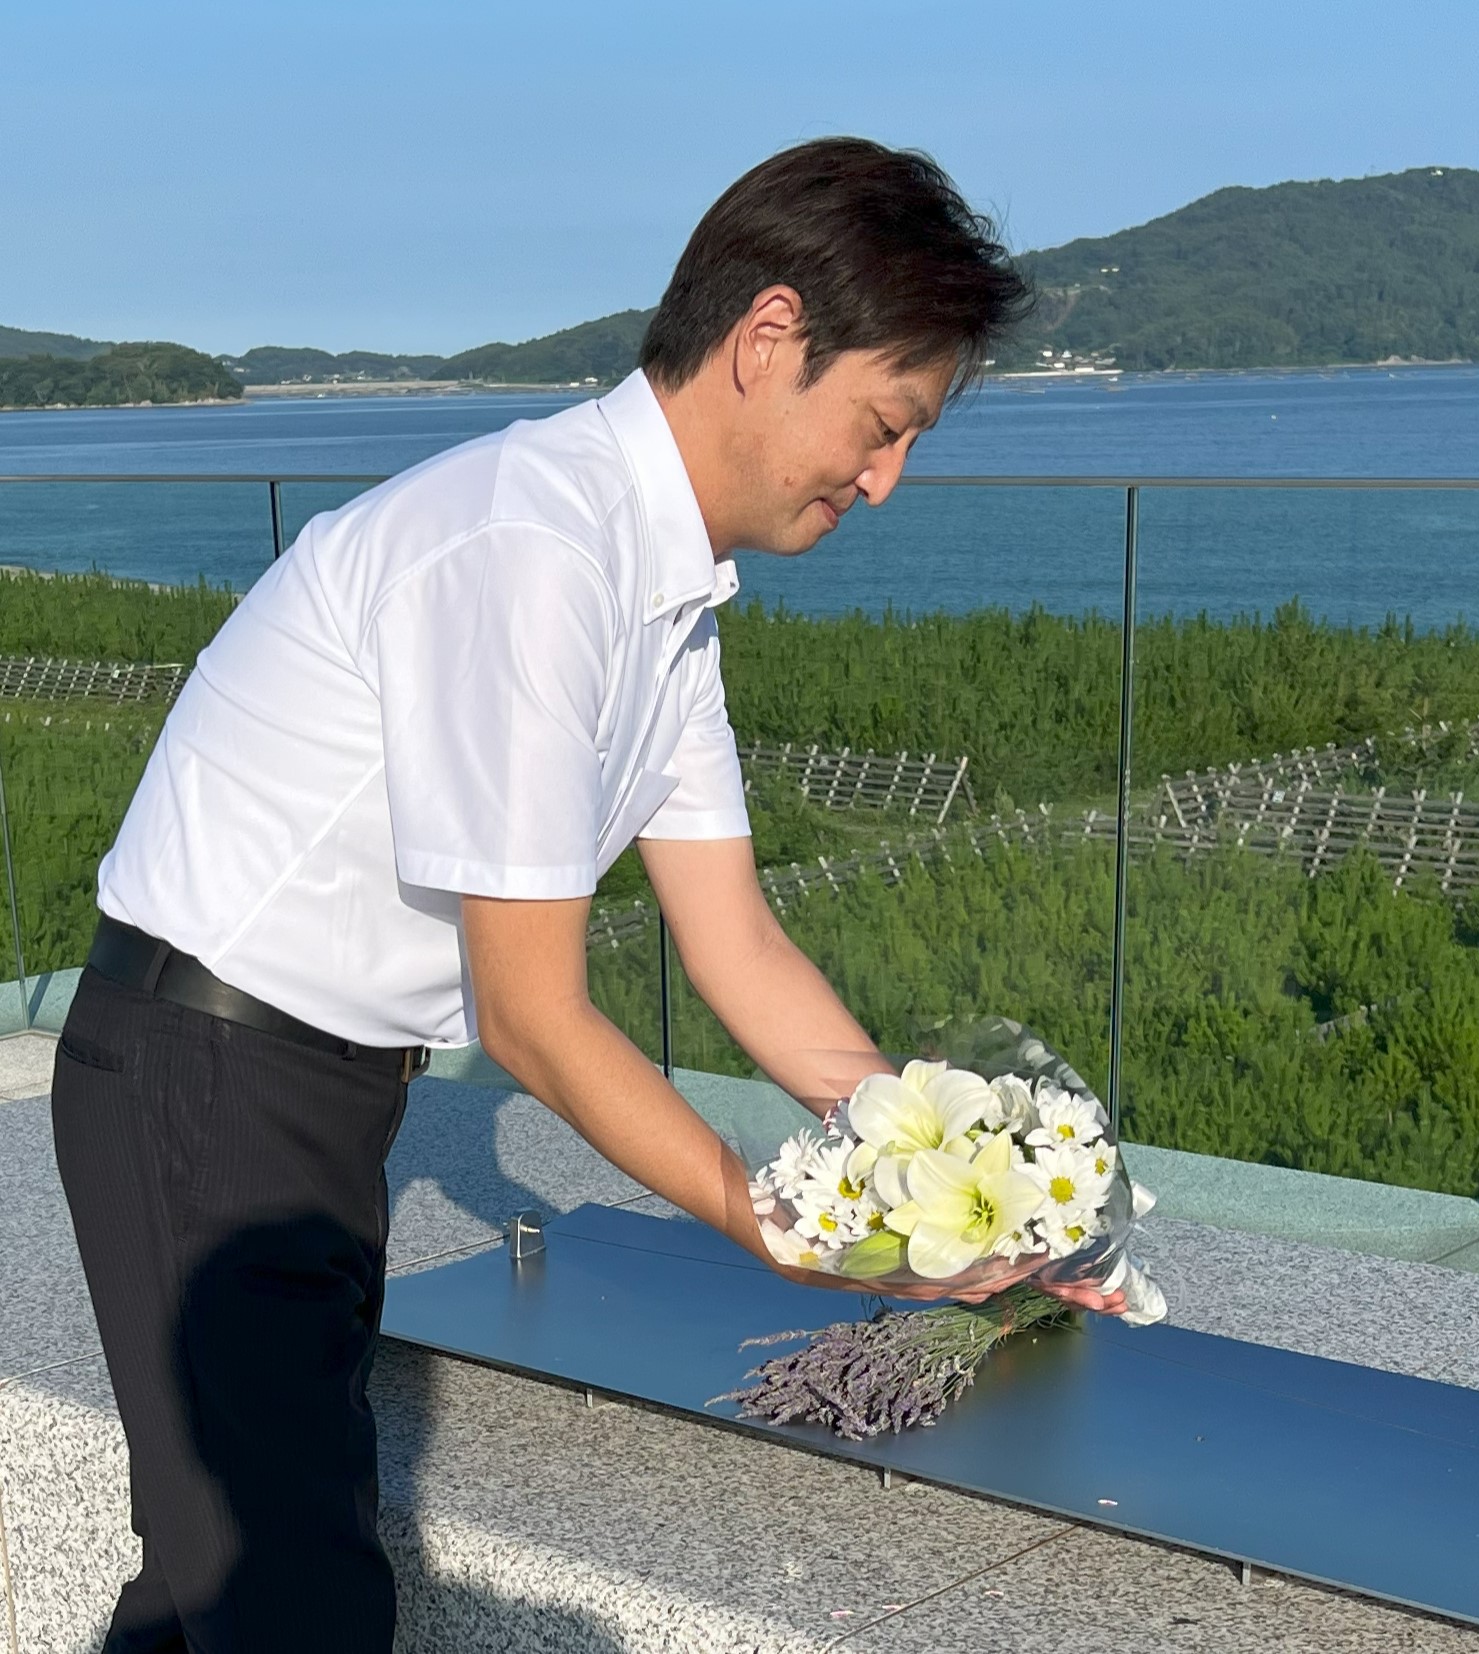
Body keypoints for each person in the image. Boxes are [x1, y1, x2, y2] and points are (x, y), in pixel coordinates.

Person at [51, 135, 1124, 1654]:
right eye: (883, 426)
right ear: (768, 339)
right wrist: (770, 1223)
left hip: (305, 1090)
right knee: (287, 1597)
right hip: (202, 1074)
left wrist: (949, 1183)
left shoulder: (660, 597)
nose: (884, 482)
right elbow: (533, 1015)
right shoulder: (536, 550)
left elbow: (737, 941)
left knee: (210, 1586)